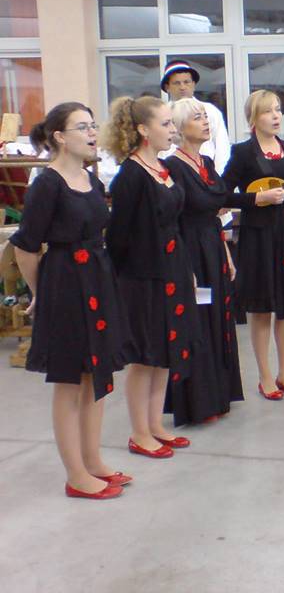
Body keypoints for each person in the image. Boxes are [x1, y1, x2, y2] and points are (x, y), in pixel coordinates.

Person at [12, 102, 131, 499]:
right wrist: (40, 292)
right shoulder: (47, 184)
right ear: (60, 137)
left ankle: (93, 461)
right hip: (65, 283)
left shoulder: (90, 179)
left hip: (97, 278)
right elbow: (25, 246)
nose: (92, 133)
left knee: (96, 375)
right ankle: (76, 475)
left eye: (93, 125)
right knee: (69, 381)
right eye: (83, 127)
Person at [104, 96, 200, 457]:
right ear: (144, 130)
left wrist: (186, 270)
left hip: (172, 270)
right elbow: (118, 238)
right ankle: (139, 432)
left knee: (164, 353)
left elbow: (175, 225)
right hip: (143, 278)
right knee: (145, 358)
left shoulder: (163, 168)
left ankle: (156, 424)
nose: (172, 130)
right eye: (165, 123)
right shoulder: (130, 176)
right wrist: (121, 283)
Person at [221, 90, 284, 400]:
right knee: (262, 307)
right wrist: (257, 198)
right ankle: (265, 375)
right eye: (268, 111)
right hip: (259, 238)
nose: (276, 116)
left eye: (278, 110)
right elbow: (222, 194)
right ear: (254, 118)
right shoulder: (242, 153)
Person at [164, 98, 245, 423]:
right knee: (196, 321)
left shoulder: (206, 163)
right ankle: (197, 403)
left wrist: (226, 253)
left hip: (212, 247)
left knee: (218, 318)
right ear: (180, 126)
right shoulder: (173, 167)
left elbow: (218, 205)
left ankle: (219, 395)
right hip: (191, 251)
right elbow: (174, 220)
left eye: (206, 117)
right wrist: (183, 266)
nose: (206, 122)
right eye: (198, 117)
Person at [161, 60, 231, 173]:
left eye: (186, 82)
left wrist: (217, 175)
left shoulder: (210, 111)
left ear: (194, 84)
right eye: (177, 83)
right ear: (167, 87)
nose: (182, 87)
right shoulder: (162, 114)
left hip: (207, 172)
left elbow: (222, 147)